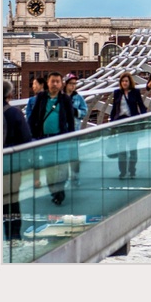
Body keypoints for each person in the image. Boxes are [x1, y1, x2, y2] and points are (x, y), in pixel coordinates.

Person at [27, 71, 75, 206]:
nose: (55, 84)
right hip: (45, 138)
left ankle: (59, 192)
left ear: (61, 84)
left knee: (62, 167)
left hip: (61, 137)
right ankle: (54, 191)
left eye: (57, 81)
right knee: (49, 167)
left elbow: (70, 120)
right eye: (52, 81)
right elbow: (34, 116)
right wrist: (31, 134)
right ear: (47, 83)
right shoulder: (41, 97)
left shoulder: (65, 99)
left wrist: (71, 136)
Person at [3, 80, 33, 245]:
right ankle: (13, 237)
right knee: (12, 202)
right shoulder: (15, 113)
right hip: (11, 166)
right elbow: (26, 140)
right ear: (10, 95)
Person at [110, 71, 147, 178]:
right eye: (122, 81)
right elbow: (114, 109)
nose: (124, 83)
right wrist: (111, 124)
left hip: (133, 123)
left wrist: (145, 118)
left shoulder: (135, 92)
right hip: (121, 122)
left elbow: (141, 105)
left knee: (133, 149)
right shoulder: (117, 92)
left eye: (126, 81)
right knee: (122, 150)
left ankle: (132, 171)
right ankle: (122, 172)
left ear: (130, 82)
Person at [63, 74, 87, 186]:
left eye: (74, 84)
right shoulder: (60, 97)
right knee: (63, 155)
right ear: (65, 84)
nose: (73, 86)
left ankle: (75, 177)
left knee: (74, 155)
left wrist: (76, 112)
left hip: (74, 129)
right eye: (71, 84)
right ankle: (64, 178)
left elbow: (84, 111)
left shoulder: (78, 97)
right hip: (61, 130)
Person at [25, 76, 46, 188]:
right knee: (35, 157)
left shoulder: (48, 99)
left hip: (45, 132)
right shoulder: (31, 100)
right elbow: (29, 116)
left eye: (35, 84)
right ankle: (36, 180)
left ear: (42, 85)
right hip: (35, 133)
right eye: (32, 84)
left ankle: (49, 179)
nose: (33, 87)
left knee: (46, 155)